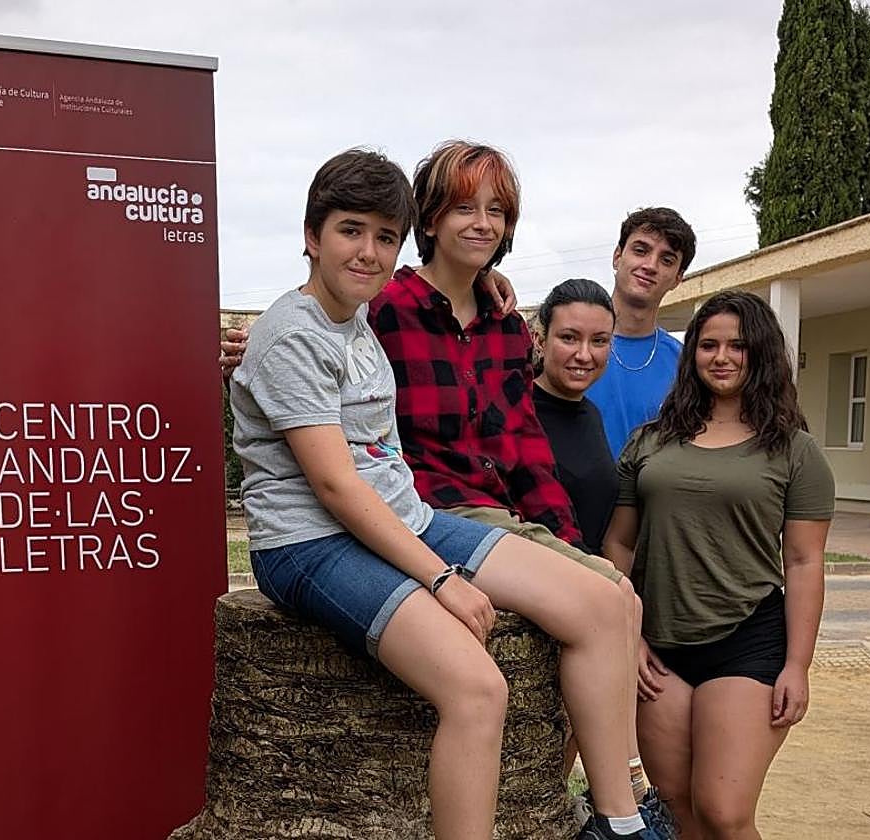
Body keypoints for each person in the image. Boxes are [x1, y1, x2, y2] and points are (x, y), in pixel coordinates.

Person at [231, 148, 660, 840]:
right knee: (478, 688)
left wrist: (491, 283)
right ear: (311, 237)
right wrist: (442, 580)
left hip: (409, 513)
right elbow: (337, 486)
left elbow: (431, 306)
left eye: (383, 237)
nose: (368, 252)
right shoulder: (298, 333)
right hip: (310, 543)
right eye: (349, 231)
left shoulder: (364, 318)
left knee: (602, 606)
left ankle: (616, 823)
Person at [603, 291, 835, 840]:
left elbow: (804, 562)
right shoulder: (651, 442)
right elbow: (618, 547)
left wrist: (797, 666)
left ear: (761, 354)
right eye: (708, 344)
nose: (722, 356)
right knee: (677, 810)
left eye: (738, 345)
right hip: (657, 649)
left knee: (724, 814)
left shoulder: (795, 452)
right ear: (692, 355)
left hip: (747, 642)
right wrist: (626, 635)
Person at [585, 208, 696, 458]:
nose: (650, 265)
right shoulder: (564, 346)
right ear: (617, 257)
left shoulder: (685, 364)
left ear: (678, 278)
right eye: (640, 250)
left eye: (666, 259)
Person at [532, 278, 619, 551]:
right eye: (569, 338)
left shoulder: (591, 414)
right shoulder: (513, 412)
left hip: (592, 581)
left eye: (598, 341)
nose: (584, 355)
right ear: (540, 340)